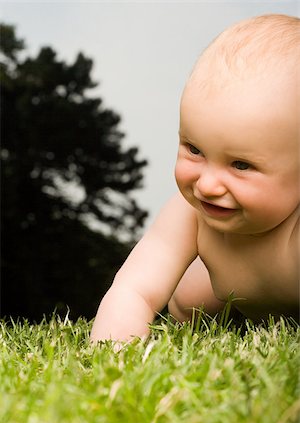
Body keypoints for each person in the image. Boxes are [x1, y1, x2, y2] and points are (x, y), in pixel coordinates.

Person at [91, 14, 300, 343]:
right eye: (194, 149)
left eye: (241, 165)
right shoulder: (190, 213)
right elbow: (135, 288)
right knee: (187, 298)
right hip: (229, 287)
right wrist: (114, 355)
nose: (206, 185)